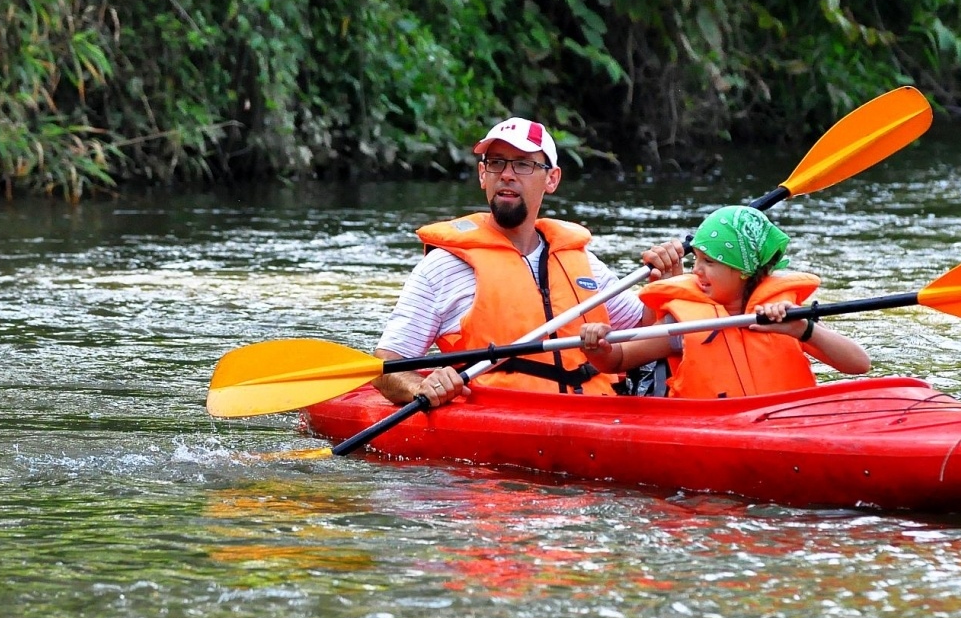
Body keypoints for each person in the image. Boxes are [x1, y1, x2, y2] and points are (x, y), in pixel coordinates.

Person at [372, 117, 686, 408]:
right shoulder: (443, 267)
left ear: (552, 179)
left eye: (523, 164)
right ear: (483, 174)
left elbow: (646, 336)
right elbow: (385, 366)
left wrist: (666, 286)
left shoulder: (583, 263)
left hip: (596, 414)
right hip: (501, 421)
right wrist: (422, 387)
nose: (506, 174)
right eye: (496, 163)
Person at [577, 205, 870, 398]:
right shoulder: (684, 323)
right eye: (697, 259)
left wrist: (804, 329)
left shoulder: (785, 315)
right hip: (714, 430)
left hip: (785, 426)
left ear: (742, 270)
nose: (696, 270)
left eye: (709, 261)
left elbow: (859, 364)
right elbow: (619, 359)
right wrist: (597, 348)